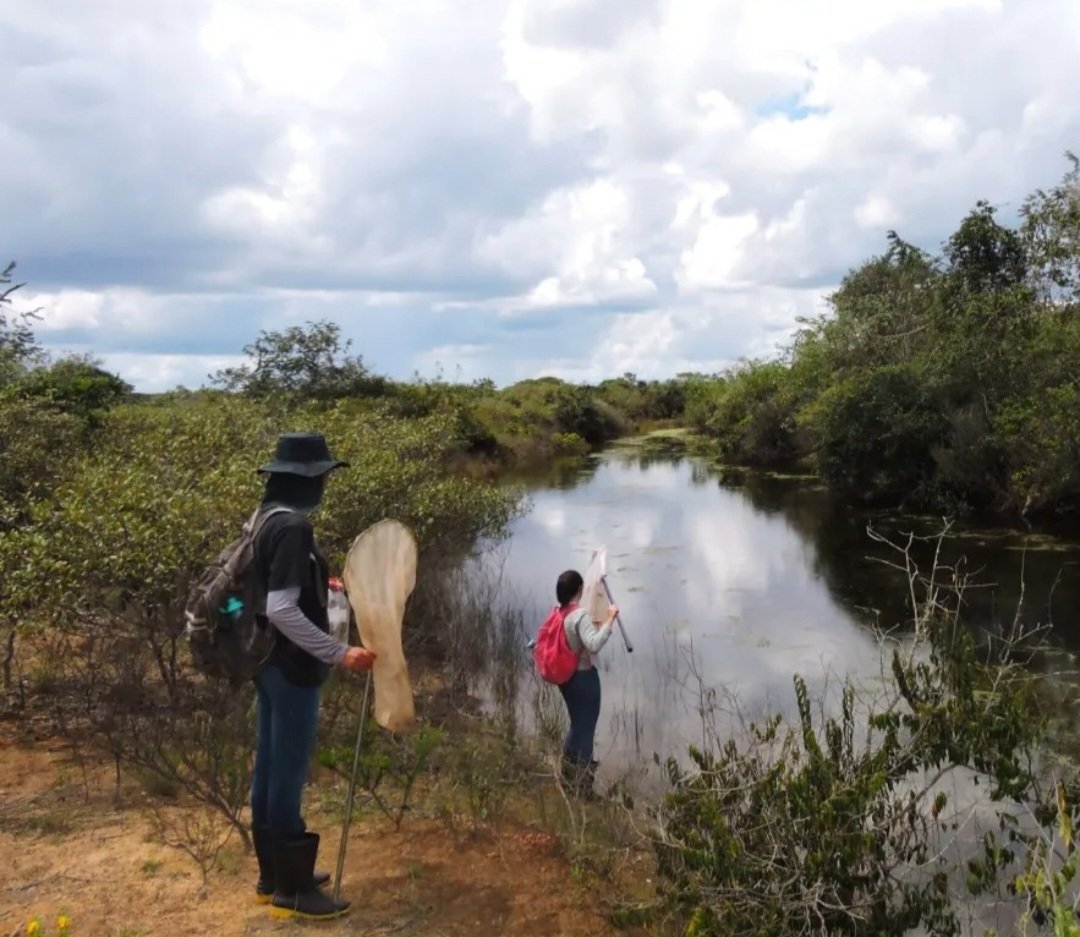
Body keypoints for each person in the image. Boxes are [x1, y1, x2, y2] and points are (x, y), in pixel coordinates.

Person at [249, 432, 376, 922]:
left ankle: (272, 876)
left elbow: (273, 592)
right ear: (305, 479)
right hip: (293, 667)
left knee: (269, 768)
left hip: (266, 663)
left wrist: (321, 587)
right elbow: (281, 608)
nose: (325, 481)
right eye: (322, 475)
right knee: (288, 774)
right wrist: (339, 653)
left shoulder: (263, 519)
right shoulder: (294, 527)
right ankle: (295, 892)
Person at [555, 569, 619, 798]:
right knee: (586, 730)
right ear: (580, 590)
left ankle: (567, 776)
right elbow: (593, 644)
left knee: (577, 725)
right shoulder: (579, 616)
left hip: (567, 680)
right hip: (583, 679)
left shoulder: (560, 613)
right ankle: (582, 787)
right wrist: (610, 619)